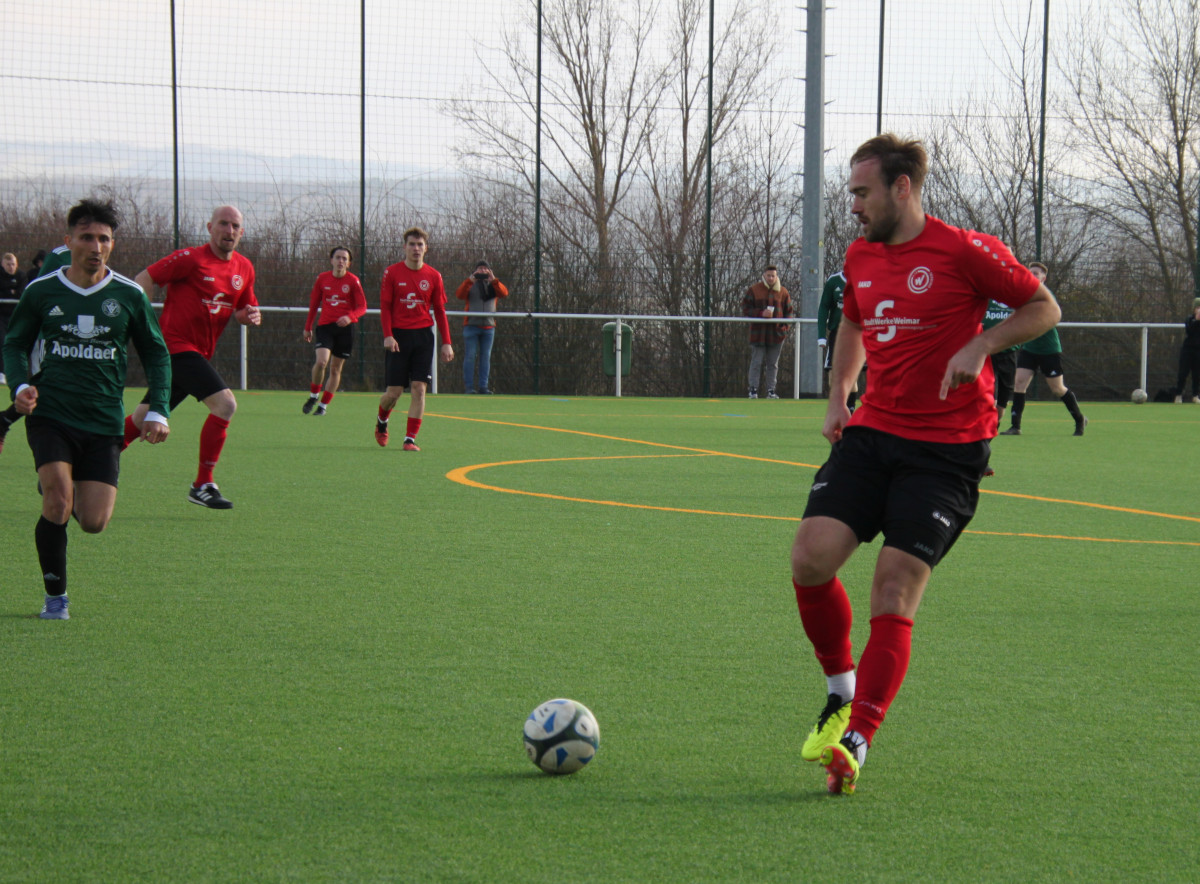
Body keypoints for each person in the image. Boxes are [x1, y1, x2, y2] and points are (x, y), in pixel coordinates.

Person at [789, 134, 1060, 795]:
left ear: (901, 188)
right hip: (874, 434)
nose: (853, 205)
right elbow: (853, 320)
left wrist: (983, 344)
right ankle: (840, 692)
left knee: (893, 588)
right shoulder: (860, 255)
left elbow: (1043, 307)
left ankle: (858, 739)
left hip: (946, 452)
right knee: (810, 558)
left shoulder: (963, 250)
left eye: (862, 192)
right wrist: (838, 394)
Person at [2, 198, 171, 620]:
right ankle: (55, 598)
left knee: (93, 521)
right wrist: (21, 384)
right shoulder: (42, 290)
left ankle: (58, 486)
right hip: (51, 414)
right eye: (87, 237)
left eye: (104, 238)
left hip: (103, 419)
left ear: (112, 244)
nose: (95, 246)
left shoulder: (128, 295)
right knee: (58, 503)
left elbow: (157, 355)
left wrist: (159, 409)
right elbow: (15, 343)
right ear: (69, 241)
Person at [125, 205, 261, 509]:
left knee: (140, 420)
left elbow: (242, 310)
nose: (229, 231)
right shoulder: (190, 259)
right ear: (209, 227)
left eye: (234, 226)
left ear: (242, 232)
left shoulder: (244, 268)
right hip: (174, 347)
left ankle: (80, 466)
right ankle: (202, 484)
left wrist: (249, 315)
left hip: (198, 352)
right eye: (223, 224)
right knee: (225, 404)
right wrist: (142, 324)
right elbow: (143, 279)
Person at [375, 227, 454, 450]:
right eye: (412, 244)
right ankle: (382, 421)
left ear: (426, 248)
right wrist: (388, 335)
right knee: (394, 392)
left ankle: (409, 439)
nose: (416, 249)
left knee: (419, 388)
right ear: (405, 247)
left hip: (423, 337)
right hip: (398, 337)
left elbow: (439, 310)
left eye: (420, 245)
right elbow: (385, 307)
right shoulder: (392, 273)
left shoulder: (434, 276)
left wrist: (446, 342)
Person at [999, 262, 1086, 436]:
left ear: (1043, 279)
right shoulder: (1023, 294)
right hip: (1030, 348)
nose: (1032, 275)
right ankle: (1015, 426)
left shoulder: (1046, 296)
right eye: (1030, 272)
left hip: (1048, 349)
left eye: (1037, 273)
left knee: (1057, 388)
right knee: (1019, 382)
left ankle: (1079, 419)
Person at [302, 246, 367, 415]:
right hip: (325, 327)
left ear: (349, 263)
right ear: (331, 260)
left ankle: (323, 406)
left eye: (344, 259)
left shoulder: (353, 281)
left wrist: (350, 317)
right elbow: (314, 304)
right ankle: (314, 395)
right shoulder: (322, 279)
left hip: (345, 330)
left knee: (335, 369)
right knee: (322, 361)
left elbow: (363, 306)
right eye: (338, 257)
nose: (341, 261)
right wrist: (308, 326)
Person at [455, 260, 508, 394]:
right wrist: (470, 281)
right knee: (470, 356)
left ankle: (483, 386)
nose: (483, 271)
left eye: (485, 269)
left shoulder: (493, 285)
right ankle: (469, 387)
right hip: (471, 325)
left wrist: (494, 280)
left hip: (489, 327)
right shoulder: (470, 284)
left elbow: (504, 293)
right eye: (480, 269)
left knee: (486, 357)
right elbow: (460, 295)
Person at [742, 264, 792, 398]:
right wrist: (760, 313)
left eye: (773, 276)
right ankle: (753, 389)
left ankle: (771, 390)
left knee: (773, 364)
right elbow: (745, 308)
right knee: (756, 362)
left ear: (776, 276)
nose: (771, 278)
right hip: (758, 334)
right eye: (768, 275)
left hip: (776, 335)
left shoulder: (783, 292)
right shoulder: (754, 290)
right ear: (764, 275)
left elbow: (789, 313)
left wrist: (784, 327)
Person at [817, 268, 861, 412]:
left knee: (852, 374)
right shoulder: (834, 281)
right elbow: (824, 307)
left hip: (858, 333)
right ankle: (839, 407)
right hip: (837, 334)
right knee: (833, 373)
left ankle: (850, 408)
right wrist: (821, 336)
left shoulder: (864, 278)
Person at [1, 252, 26, 387]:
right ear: (2, 264)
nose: (11, 267)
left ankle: (18, 376)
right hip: (1, 315)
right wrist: (11, 291)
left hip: (16, 316)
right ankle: (2, 373)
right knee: (2, 342)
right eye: (8, 264)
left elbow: (21, 293)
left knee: (17, 344)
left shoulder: (21, 276)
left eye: (13, 264)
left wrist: (10, 291)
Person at [1172, 298, 1200, 403]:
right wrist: (1197, 320)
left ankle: (1195, 395)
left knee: (1197, 374)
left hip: (1199, 351)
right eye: (1197, 307)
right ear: (1194, 309)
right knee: (1183, 373)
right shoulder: (1189, 319)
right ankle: (1178, 395)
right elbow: (1190, 331)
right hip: (1187, 350)